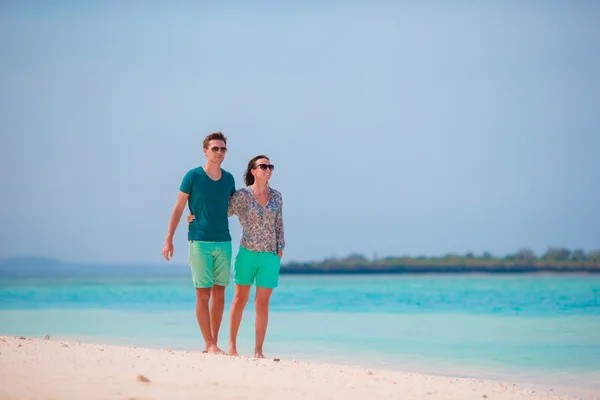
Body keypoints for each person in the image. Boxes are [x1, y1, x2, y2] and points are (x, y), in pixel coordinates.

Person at [187, 154, 285, 358]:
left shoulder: (276, 196)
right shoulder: (242, 196)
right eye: (264, 166)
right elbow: (221, 211)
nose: (268, 170)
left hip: (269, 256)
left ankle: (258, 351)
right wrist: (194, 215)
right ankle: (231, 346)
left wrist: (280, 249)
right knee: (239, 299)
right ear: (253, 171)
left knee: (262, 303)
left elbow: (279, 223)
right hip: (246, 253)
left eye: (271, 166)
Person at [162, 131, 236, 355]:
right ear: (205, 151)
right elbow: (178, 207)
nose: (219, 152)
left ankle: (213, 342)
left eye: (222, 149)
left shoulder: (229, 178)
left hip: (223, 241)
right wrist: (169, 238)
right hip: (199, 241)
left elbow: (231, 209)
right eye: (215, 148)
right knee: (202, 293)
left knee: (220, 292)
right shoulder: (193, 176)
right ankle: (208, 343)